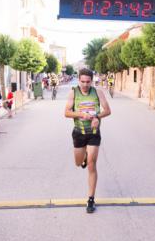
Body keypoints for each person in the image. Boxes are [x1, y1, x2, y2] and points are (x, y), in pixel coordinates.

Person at [64, 68, 111, 213]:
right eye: (82, 81)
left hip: (93, 133)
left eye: (88, 82)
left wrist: (97, 117)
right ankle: (83, 157)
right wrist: (80, 114)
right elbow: (66, 112)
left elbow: (107, 110)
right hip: (78, 132)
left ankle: (91, 199)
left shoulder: (98, 92)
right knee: (79, 163)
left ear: (92, 80)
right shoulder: (73, 92)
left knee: (92, 164)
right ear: (79, 80)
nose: (85, 84)